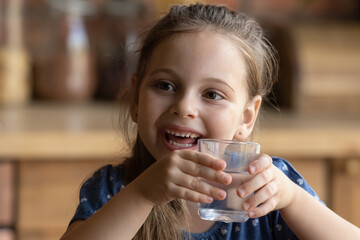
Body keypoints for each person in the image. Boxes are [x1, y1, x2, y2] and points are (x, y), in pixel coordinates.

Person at [60, 3, 360, 240]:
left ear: (246, 117)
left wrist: (293, 199)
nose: (184, 107)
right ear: (136, 100)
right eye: (165, 86)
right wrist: (142, 194)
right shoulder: (116, 188)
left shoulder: (267, 190)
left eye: (212, 94)